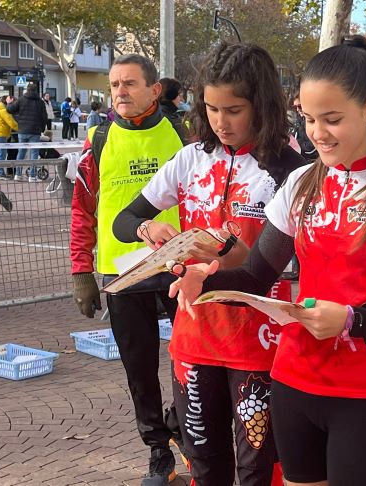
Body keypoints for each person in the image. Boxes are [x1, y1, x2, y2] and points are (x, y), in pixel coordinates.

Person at [166, 35, 366, 486]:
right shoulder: (301, 182)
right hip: (294, 381)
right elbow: (256, 277)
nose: (316, 133)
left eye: (332, 119)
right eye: (308, 118)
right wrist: (204, 279)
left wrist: (352, 321)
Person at [114, 41, 306, 486]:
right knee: (204, 467)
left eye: (234, 110)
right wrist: (150, 231)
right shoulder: (190, 158)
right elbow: (126, 219)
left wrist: (217, 254)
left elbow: (279, 263)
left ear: (261, 104)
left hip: (259, 344)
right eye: (212, 108)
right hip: (194, 337)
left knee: (260, 470)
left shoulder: (289, 170)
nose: (221, 122)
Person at [70, 53, 187, 485]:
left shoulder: (182, 135)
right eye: (114, 85)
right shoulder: (97, 140)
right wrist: (81, 271)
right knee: (139, 368)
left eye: (129, 84)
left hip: (179, 267)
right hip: (120, 272)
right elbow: (82, 210)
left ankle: (181, 425)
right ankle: (159, 452)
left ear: (154, 90)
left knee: (192, 361)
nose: (120, 92)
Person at [6, 84, 48, 183]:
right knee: (34, 153)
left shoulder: (21, 100)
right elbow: (44, 117)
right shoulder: (40, 102)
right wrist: (41, 129)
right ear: (36, 90)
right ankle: (32, 176)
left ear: (27, 90)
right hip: (35, 131)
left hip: (22, 130)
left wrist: (8, 103)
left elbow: (10, 110)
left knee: (21, 152)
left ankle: (18, 174)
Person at [0, 96, 18, 180]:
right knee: (1, 154)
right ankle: (1, 173)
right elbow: (11, 123)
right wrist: (21, 129)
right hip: (1, 135)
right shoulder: (3, 111)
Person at [290, 87, 318, 161]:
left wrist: (295, 144)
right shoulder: (299, 119)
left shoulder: (316, 121)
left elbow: (312, 148)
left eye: (300, 106)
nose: (297, 110)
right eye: (295, 107)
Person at [157, 77, 188, 142]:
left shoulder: (154, 115)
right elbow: (185, 144)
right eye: (179, 95)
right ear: (171, 96)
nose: (181, 99)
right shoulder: (171, 120)